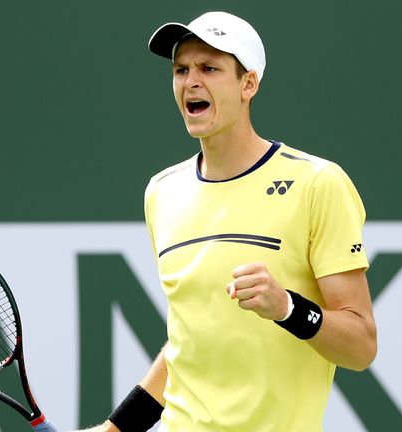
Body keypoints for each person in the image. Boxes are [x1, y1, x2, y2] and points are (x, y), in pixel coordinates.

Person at [81, 10, 377, 431]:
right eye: (181, 69)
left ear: (248, 84)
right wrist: (117, 429)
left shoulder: (317, 184)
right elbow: (189, 341)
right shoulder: (162, 192)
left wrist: (287, 307)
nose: (191, 82)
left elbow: (361, 346)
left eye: (209, 68)